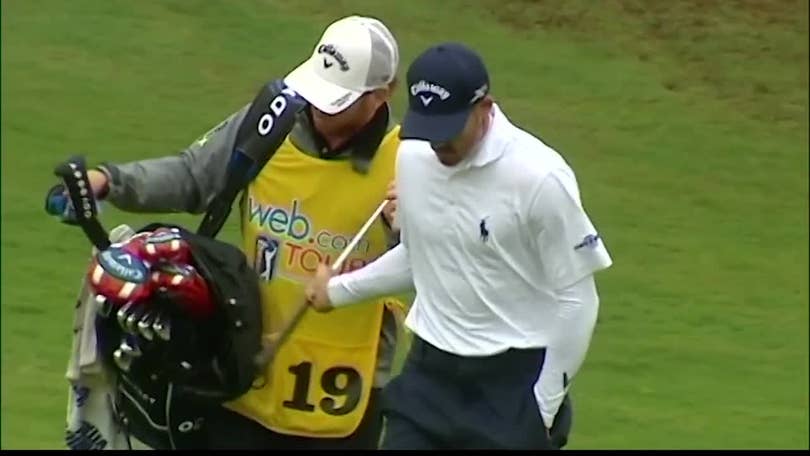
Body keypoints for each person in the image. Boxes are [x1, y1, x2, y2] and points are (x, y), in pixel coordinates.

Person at [47, 15, 406, 450]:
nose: (320, 111)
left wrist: (408, 224)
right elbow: (194, 176)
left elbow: (438, 266)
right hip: (239, 382)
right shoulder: (270, 123)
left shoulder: (408, 163)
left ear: (382, 95)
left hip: (344, 407)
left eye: (339, 102)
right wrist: (109, 180)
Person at [305, 42, 613, 450]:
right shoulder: (414, 154)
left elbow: (578, 301)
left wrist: (541, 409)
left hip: (511, 383)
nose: (438, 145)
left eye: (449, 130)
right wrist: (337, 291)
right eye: (429, 130)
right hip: (430, 373)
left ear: (485, 109)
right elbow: (421, 255)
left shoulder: (539, 178)